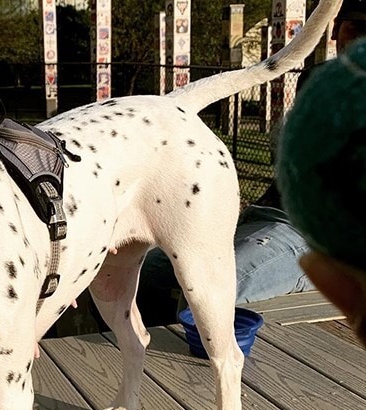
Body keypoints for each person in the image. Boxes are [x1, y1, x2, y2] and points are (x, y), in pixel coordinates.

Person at [136, 0, 366, 324]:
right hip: (261, 216)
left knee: (209, 295)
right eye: (354, 27)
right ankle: (139, 356)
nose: (358, 41)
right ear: (337, 29)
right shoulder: (319, 79)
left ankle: (189, 370)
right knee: (148, 272)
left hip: (310, 239)